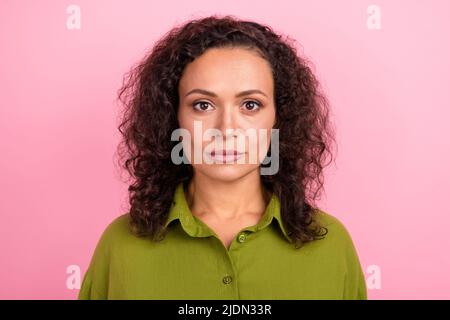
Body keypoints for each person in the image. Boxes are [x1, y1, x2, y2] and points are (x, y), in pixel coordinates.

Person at [78, 14, 367, 300]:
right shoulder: (121, 247)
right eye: (203, 105)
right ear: (173, 118)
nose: (226, 129)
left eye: (250, 105)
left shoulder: (331, 244)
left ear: (280, 118)